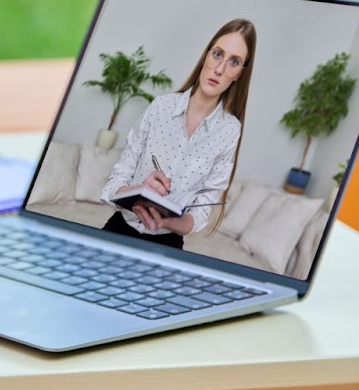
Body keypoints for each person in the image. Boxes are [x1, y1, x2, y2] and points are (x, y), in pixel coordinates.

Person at [98, 19, 255, 251]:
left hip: (168, 243)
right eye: (217, 54)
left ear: (240, 74)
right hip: (121, 229)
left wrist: (167, 220)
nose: (220, 69)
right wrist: (139, 191)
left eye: (234, 62)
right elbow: (114, 185)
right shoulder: (160, 107)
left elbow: (202, 210)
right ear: (206, 56)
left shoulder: (230, 131)